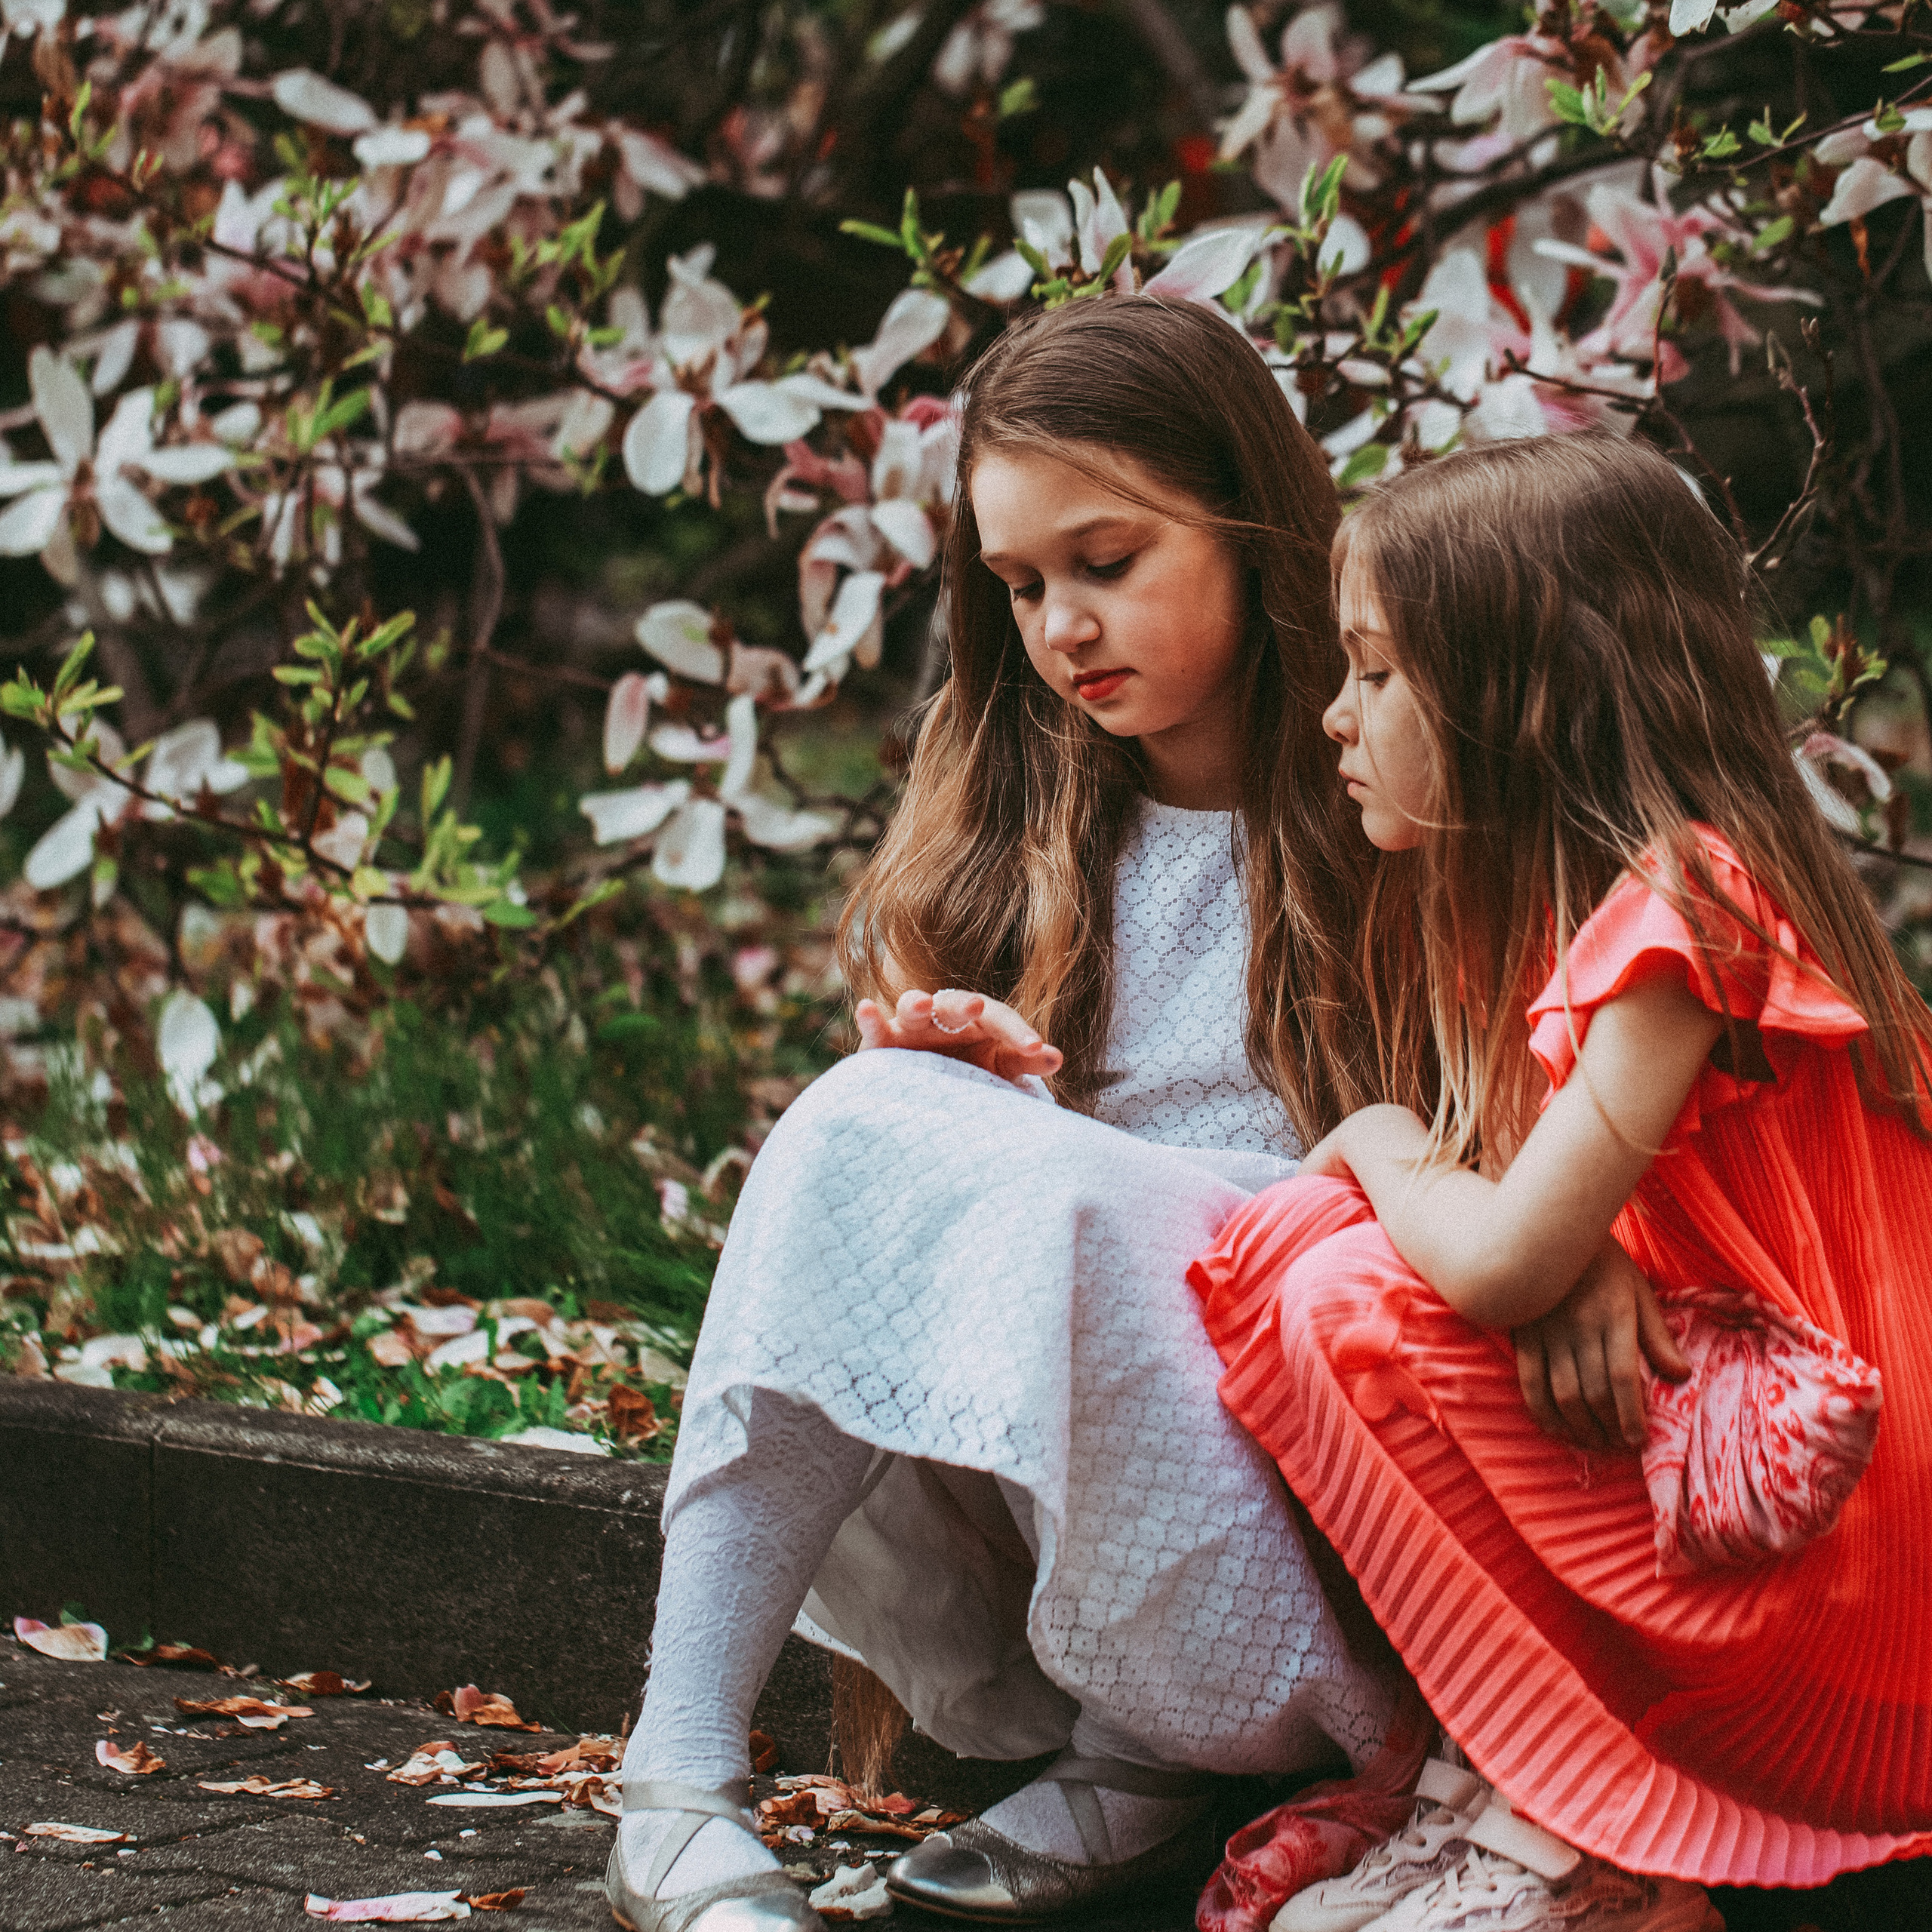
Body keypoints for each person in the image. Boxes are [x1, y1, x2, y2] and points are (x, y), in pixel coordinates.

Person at [605, 296, 1417, 1932]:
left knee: (1076, 1205)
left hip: (1293, 1498)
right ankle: (673, 1773)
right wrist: (965, 1086)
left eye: (1106, 560)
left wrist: (1059, 1173)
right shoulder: (1016, 804)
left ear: (1253, 524)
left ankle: (1145, 1761)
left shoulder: (1394, 788)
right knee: (860, 1115)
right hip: (1048, 1491)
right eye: (1022, 582)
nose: (1060, 623)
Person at [1189, 430, 1932, 1932]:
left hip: (1849, 1593)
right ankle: (1508, 1779)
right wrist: (1543, 1247)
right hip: (1755, 1501)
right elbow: (1545, 1242)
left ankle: (1595, 1837)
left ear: (1522, 695)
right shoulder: (1542, 908)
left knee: (1334, 1269)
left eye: (1378, 673)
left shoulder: (1682, 897)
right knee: (1303, 1246)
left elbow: (1495, 1262)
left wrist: (1386, 1134)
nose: (1336, 717)